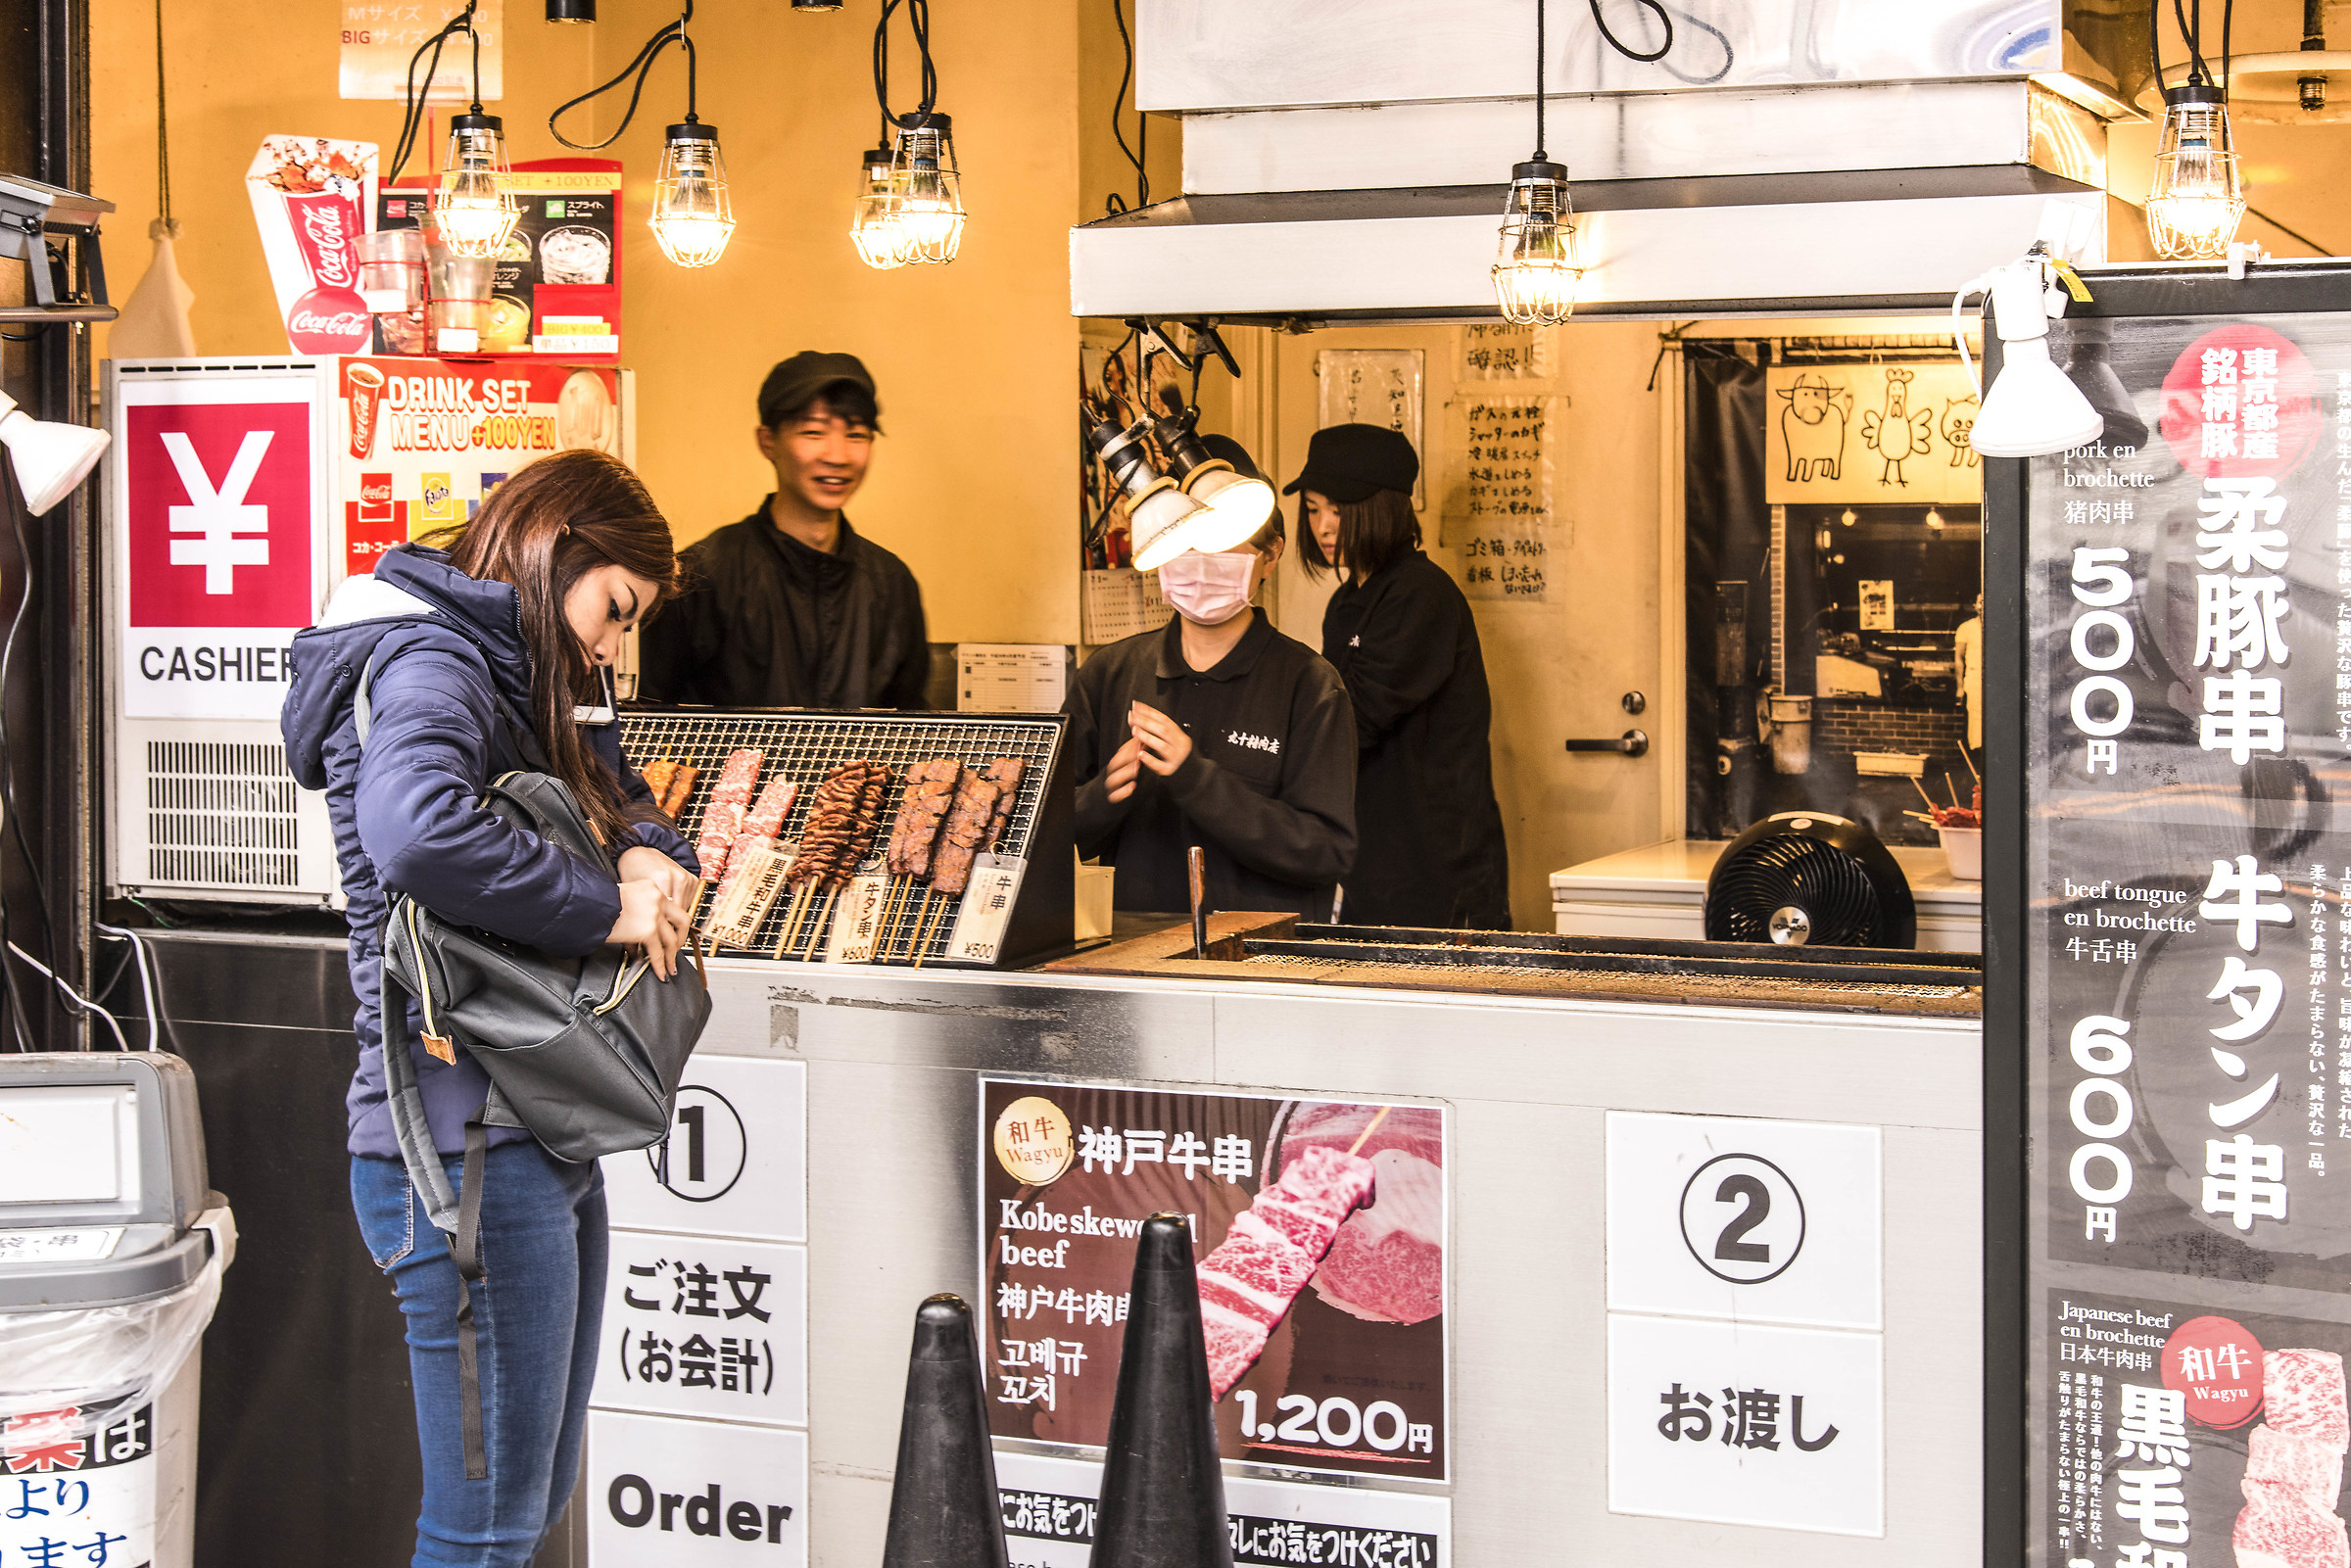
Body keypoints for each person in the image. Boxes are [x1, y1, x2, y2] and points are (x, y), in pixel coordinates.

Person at [281, 449, 697, 1567]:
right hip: (458, 1144)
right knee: (485, 1529)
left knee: (530, 1500)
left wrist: (653, 859)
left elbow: (624, 795)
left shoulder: (529, 659)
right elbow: (416, 831)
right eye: (614, 608)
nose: (612, 642)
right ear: (558, 547)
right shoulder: (432, 660)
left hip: (536, 1126)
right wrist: (602, 907)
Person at [1065, 437, 1357, 918]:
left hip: (1260, 962)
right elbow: (1041, 833)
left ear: (1270, 553)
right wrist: (1102, 798)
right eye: (1181, 541)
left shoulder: (1309, 686)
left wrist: (1196, 777)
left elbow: (1325, 853)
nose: (1198, 559)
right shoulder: (1108, 676)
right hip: (1128, 961)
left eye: (1219, 541)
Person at [1292, 423, 1511, 929]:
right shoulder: (1346, 603)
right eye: (1312, 509)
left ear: (1382, 508)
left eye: (1338, 510)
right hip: (1373, 855)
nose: (1323, 526)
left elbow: (1354, 721)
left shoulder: (1420, 594)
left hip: (1437, 863)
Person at [638, 351, 930, 709]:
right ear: (768, 441)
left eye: (856, 434)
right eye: (813, 432)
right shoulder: (703, 574)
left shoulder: (891, 583)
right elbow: (648, 713)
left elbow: (912, 726)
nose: (837, 455)